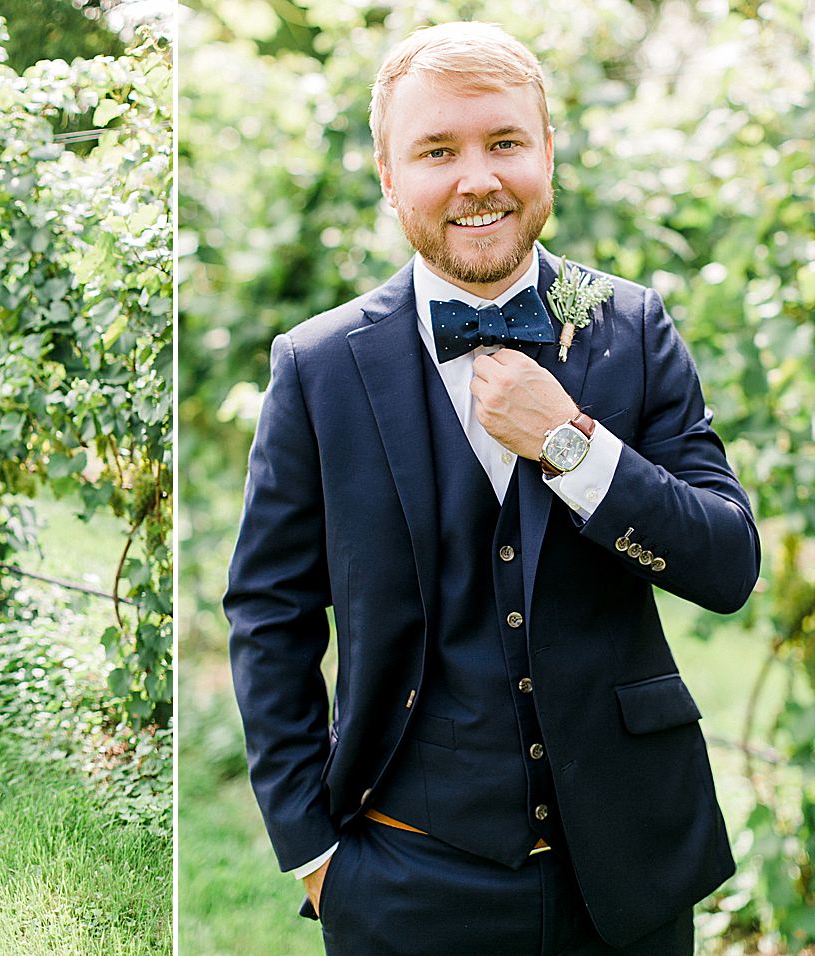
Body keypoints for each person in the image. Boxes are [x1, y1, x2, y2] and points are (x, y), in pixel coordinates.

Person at [224, 22, 760, 955]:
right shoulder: (315, 367)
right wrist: (313, 851)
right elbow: (268, 614)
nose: (478, 178)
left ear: (548, 153)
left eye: (505, 141)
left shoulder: (631, 327)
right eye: (437, 150)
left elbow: (727, 564)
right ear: (390, 176)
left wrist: (571, 443)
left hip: (629, 872)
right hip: (405, 875)